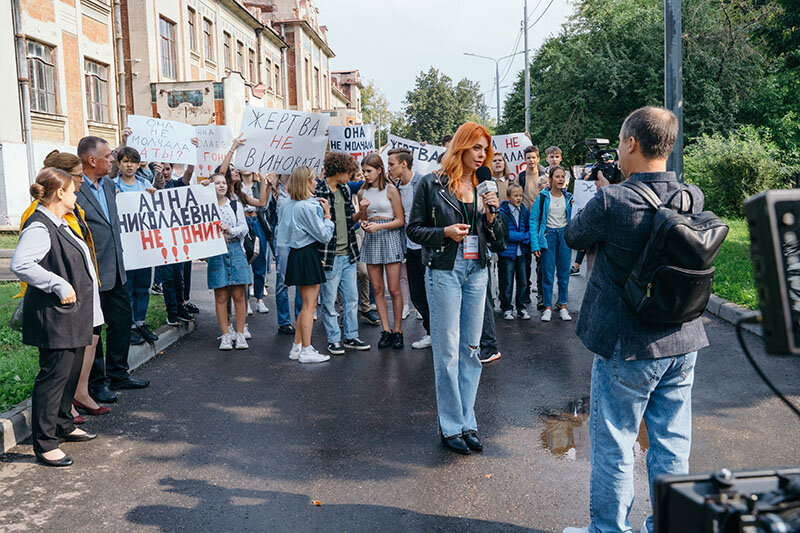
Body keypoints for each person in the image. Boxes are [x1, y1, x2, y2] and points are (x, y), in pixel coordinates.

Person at [560, 107, 708, 533]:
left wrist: (602, 190)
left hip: (627, 344)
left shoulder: (611, 200)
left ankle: (608, 530)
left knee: (615, 444)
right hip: (682, 339)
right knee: (672, 443)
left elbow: (573, 236)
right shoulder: (690, 196)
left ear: (630, 143)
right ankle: (669, 524)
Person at [407, 122, 507, 455]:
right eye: (477, 148)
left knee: (470, 350)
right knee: (447, 351)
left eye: (485, 149)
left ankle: (468, 421)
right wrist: (445, 233)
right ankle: (450, 425)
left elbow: (501, 241)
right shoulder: (431, 183)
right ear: (461, 147)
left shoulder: (484, 185)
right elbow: (414, 229)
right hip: (444, 270)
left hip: (477, 270)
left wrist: (493, 216)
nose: (482, 155)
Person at [11, 168, 102, 466]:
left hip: (72, 317)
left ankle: (63, 423)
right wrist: (57, 283)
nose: (77, 195)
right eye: (73, 190)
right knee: (53, 377)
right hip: (56, 317)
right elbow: (22, 263)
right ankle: (45, 443)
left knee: (69, 374)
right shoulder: (39, 225)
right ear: (60, 193)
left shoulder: (60, 222)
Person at [76, 136, 149, 404]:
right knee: (93, 331)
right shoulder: (74, 188)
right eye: (108, 157)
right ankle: (97, 383)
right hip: (91, 272)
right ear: (92, 160)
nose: (112, 161)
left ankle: (119, 373)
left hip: (117, 268)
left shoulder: (108, 185)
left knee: (120, 323)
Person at [315, 152, 371, 355]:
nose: (352, 176)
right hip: (328, 255)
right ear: (339, 170)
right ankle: (333, 339)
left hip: (348, 253)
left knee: (351, 298)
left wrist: (363, 211)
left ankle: (350, 336)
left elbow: (350, 220)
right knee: (329, 300)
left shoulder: (346, 189)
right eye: (350, 172)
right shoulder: (318, 191)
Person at [276, 166, 334, 364]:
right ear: (306, 182)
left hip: (295, 252)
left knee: (305, 305)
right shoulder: (308, 207)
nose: (316, 182)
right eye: (313, 180)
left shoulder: (286, 203)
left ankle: (297, 346)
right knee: (309, 305)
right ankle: (307, 350)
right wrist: (327, 216)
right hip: (307, 252)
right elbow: (324, 235)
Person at [356, 154, 406, 350]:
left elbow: (400, 220)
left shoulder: (391, 190)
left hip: (389, 236)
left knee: (394, 289)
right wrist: (363, 216)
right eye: (364, 171)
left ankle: (398, 331)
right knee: (377, 288)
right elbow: (361, 218)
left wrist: (379, 226)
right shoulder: (362, 193)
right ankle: (385, 330)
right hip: (371, 237)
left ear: (379, 170)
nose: (366, 175)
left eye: (369, 171)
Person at [113, 147, 159, 346]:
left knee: (143, 286)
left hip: (144, 244)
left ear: (139, 164)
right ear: (119, 164)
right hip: (124, 245)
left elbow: (157, 212)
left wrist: (154, 197)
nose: (129, 165)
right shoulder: (112, 185)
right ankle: (130, 325)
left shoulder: (145, 184)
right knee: (128, 286)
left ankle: (141, 322)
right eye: (125, 161)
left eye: (133, 161)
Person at [387, 147, 431, 349]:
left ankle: (437, 334)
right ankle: (432, 332)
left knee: (432, 292)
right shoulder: (394, 186)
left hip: (426, 246)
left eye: (392, 164)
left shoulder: (422, 182)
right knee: (416, 294)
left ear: (404, 164)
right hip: (409, 247)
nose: (389, 168)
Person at [207, 173, 251, 350]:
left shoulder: (235, 204)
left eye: (223, 183)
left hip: (234, 249)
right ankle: (225, 335)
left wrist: (230, 229)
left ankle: (240, 334)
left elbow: (244, 227)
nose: (221, 186)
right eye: (216, 183)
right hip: (216, 252)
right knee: (221, 295)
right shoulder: (205, 208)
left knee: (239, 295)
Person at [530, 166, 574, 322]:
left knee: (563, 274)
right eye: (557, 176)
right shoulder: (542, 197)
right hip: (548, 236)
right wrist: (535, 245)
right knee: (547, 274)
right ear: (550, 179)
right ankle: (547, 307)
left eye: (562, 176)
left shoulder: (569, 197)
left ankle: (563, 306)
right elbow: (534, 220)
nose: (561, 179)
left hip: (564, 236)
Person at [233, 170, 275, 315]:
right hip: (243, 222)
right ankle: (245, 301)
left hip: (257, 221)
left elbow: (264, 204)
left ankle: (259, 298)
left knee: (260, 259)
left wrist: (266, 184)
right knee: (244, 260)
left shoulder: (258, 184)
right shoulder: (236, 186)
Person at [498, 183, 532, 320]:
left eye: (520, 195)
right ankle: (506, 308)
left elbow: (531, 228)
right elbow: (504, 233)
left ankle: (521, 307)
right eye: (515, 196)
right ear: (508, 197)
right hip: (507, 252)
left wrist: (526, 237)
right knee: (507, 282)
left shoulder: (524, 211)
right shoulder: (502, 212)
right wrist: (523, 237)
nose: (518, 198)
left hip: (522, 252)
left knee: (523, 281)